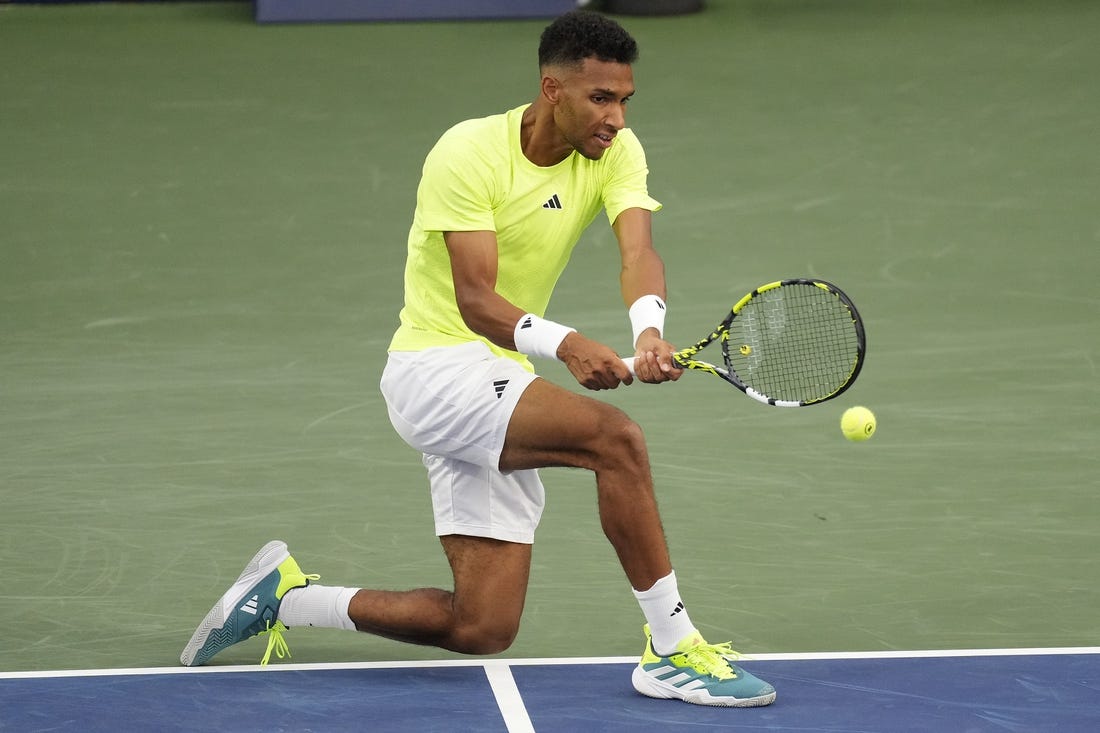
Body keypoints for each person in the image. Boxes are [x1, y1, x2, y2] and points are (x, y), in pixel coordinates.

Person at [180, 9, 776, 708]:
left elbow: (638, 252)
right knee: (617, 441)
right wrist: (567, 343)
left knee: (482, 624)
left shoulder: (617, 151)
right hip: (435, 369)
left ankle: (287, 597)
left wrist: (648, 329)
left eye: (625, 99)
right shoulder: (468, 153)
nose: (616, 117)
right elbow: (475, 299)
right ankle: (674, 648)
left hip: (498, 379)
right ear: (553, 90)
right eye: (601, 98)